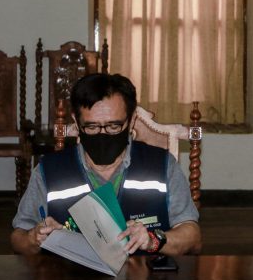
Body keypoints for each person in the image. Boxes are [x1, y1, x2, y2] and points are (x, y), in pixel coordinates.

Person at [11, 73, 201, 257]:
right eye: (91, 127)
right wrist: (33, 238)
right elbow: (18, 237)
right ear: (76, 122)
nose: (103, 135)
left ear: (131, 120)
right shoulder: (49, 170)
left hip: (144, 273)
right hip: (69, 275)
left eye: (113, 126)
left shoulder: (162, 165)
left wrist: (153, 241)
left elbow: (192, 236)